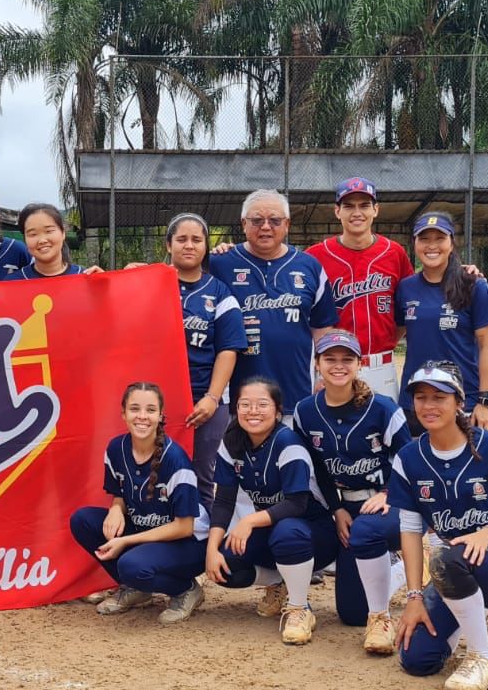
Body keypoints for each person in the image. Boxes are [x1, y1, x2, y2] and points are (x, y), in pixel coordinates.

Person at [387, 361, 488, 690]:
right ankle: (474, 612)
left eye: (439, 397)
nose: (428, 406)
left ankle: (481, 656)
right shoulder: (409, 458)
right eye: (420, 397)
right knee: (417, 660)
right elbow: (411, 532)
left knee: (448, 557)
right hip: (454, 569)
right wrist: (414, 597)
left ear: (459, 402)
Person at [291, 330, 413, 653]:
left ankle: (409, 558)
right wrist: (336, 509)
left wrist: (389, 492)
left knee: (366, 531)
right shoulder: (305, 411)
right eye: (330, 358)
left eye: (347, 359)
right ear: (317, 364)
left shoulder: (383, 408)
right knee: (353, 614)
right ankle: (398, 570)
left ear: (360, 364)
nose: (339, 366)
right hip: (348, 508)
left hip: (392, 503)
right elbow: (317, 468)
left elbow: (411, 459)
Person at [205, 377, 337, 645]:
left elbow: (296, 504)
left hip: (314, 535)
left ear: (278, 412)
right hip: (274, 529)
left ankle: (300, 609)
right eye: (245, 404)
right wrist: (211, 549)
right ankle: (279, 583)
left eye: (262, 404)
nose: (253, 411)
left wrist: (250, 520)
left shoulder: (288, 442)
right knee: (227, 563)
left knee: (287, 531)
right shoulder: (232, 441)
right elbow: (223, 501)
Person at [69, 382, 209, 624]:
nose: (142, 416)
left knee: (131, 565)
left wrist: (125, 540)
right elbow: (119, 493)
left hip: (189, 543)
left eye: (150, 410)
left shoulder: (175, 460)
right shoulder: (116, 448)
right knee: (83, 520)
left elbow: (184, 527)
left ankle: (185, 589)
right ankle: (136, 589)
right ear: (123, 414)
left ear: (160, 416)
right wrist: (115, 508)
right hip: (148, 532)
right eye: (134, 409)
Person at [209, 190, 338, 422]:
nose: (265, 227)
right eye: (257, 220)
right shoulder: (219, 264)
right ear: (243, 224)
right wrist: (138, 272)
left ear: (287, 224)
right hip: (237, 399)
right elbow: (180, 280)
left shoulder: (309, 266)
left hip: (296, 394)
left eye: (275, 220)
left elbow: (322, 329)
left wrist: (324, 376)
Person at [162, 213, 245, 509]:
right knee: (157, 475)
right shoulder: (148, 283)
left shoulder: (219, 292)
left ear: (206, 247)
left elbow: (228, 349)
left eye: (197, 240)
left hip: (205, 401)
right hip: (157, 400)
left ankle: (205, 548)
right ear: (168, 244)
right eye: (181, 239)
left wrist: (212, 398)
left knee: (204, 478)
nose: (189, 245)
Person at [305, 178, 413, 397]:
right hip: (334, 368)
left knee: (383, 430)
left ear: (376, 210)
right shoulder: (314, 256)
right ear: (337, 211)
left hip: (380, 366)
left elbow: (411, 303)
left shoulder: (394, 253)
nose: (357, 212)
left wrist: (460, 270)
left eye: (364, 205)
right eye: (348, 206)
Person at [395, 212, 488, 431]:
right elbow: (393, 335)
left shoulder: (473, 286)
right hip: (416, 399)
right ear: (414, 244)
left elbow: (487, 345)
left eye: (439, 238)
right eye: (424, 239)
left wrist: (485, 401)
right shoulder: (405, 288)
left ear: (451, 243)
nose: (431, 246)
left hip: (461, 399)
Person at [14, 203, 101, 278]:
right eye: (33, 234)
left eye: (49, 231)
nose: (42, 240)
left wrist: (107, 288)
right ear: (25, 239)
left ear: (63, 233)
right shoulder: (13, 284)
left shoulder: (85, 278)